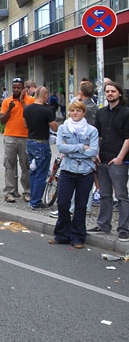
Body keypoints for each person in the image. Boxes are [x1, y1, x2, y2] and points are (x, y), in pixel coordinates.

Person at [51, 100, 98, 248]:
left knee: (80, 206)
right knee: (63, 203)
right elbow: (60, 147)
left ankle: (77, 237)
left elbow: (93, 151)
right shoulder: (63, 128)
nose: (75, 113)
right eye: (72, 110)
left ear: (84, 113)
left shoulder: (92, 130)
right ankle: (62, 235)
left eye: (78, 111)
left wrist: (70, 149)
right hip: (67, 170)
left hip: (86, 171)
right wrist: (80, 147)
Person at [89, 82, 129, 241]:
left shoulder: (126, 113)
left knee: (121, 196)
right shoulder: (101, 113)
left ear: (119, 93)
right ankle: (103, 224)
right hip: (102, 158)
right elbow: (96, 135)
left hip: (118, 160)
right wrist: (96, 153)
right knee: (104, 194)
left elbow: (128, 138)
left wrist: (120, 158)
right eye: (107, 91)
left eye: (113, 91)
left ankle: (124, 229)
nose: (110, 94)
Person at [23, 87, 59, 210]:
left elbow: (25, 124)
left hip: (30, 141)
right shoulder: (46, 111)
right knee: (41, 173)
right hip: (41, 143)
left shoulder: (27, 109)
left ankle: (32, 198)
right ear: (45, 96)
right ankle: (36, 201)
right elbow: (55, 128)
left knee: (33, 171)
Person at [0, 78, 34, 203]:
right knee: (9, 165)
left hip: (25, 137)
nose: (16, 90)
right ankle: (10, 191)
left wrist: (22, 102)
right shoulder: (6, 101)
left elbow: (31, 117)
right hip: (9, 136)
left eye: (18, 87)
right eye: (14, 87)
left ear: (23, 89)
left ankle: (27, 191)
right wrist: (9, 109)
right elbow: (2, 120)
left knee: (26, 165)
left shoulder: (30, 101)